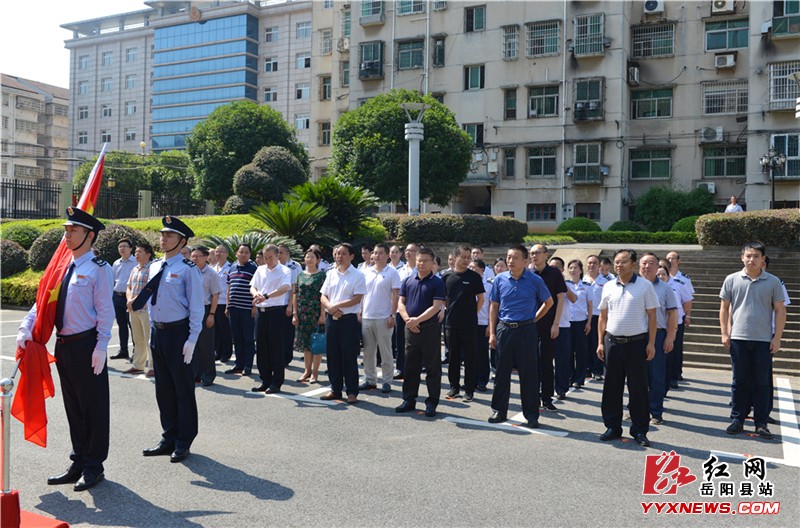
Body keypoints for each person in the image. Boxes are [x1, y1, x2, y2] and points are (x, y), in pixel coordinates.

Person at [17, 207, 113, 491]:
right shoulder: (61, 268)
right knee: (73, 407)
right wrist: (26, 326)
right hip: (64, 345)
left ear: (89, 235)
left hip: (86, 344)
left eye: (73, 231)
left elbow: (105, 311)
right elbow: (42, 303)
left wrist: (102, 346)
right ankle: (78, 461)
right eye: (66, 230)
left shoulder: (99, 269)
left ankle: (94, 466)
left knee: (93, 408)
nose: (67, 235)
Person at [136, 215, 203, 464]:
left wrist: (192, 339)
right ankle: (168, 436)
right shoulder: (154, 266)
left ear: (182, 240)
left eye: (169, 235)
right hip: (159, 332)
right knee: (163, 388)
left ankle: (184, 439)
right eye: (162, 234)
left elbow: (197, 307)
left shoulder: (188, 269)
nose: (163, 239)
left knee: (182, 389)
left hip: (179, 333)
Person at [719, 242, 785, 440]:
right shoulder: (731, 279)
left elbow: (780, 310)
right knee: (739, 381)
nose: (751, 259)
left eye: (756, 256)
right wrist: (725, 333)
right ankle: (738, 418)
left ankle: (761, 422)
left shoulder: (773, 282)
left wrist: (777, 338)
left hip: (763, 340)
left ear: (762, 259)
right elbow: (724, 308)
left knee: (761, 383)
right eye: (748, 255)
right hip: (738, 337)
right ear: (742, 257)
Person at [597, 249, 659, 447]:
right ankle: (612, 427)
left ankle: (640, 430)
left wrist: (651, 343)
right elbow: (603, 317)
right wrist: (600, 342)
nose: (619, 265)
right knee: (611, 387)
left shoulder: (645, 286)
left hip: (636, 344)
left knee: (638, 389)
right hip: (612, 343)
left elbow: (652, 317)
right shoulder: (608, 286)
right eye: (616, 262)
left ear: (633, 264)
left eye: (624, 262)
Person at [487, 244, 553, 428]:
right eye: (509, 257)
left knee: (529, 373)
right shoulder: (500, 279)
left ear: (525, 261)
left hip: (526, 330)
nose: (510, 261)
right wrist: (492, 332)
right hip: (505, 329)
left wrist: (534, 318)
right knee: (501, 372)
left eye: (515, 257)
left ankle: (531, 414)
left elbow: (549, 302)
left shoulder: (534, 280)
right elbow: (494, 306)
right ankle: (499, 410)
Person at [395, 246, 446, 417]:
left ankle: (432, 402)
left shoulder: (437, 282)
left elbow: (436, 307)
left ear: (432, 263)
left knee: (432, 368)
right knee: (410, 366)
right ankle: (409, 399)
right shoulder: (408, 280)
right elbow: (400, 303)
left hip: (429, 329)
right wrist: (409, 320)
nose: (422, 263)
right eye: (419, 260)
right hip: (410, 329)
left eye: (425, 261)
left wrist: (417, 320)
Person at [320, 243, 366, 404]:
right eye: (338, 253)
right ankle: (335, 389)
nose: (339, 256)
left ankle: (352, 391)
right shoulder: (331, 273)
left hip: (348, 321)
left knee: (348, 357)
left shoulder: (358, 275)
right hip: (331, 320)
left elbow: (357, 298)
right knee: (333, 356)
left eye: (343, 254)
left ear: (352, 256)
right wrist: (330, 308)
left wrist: (336, 306)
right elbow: (323, 296)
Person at [441, 245, 485, 402]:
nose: (466, 260)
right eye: (463, 257)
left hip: (469, 324)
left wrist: (473, 313)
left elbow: (481, 298)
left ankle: (469, 389)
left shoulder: (474, 277)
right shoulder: (446, 277)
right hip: (451, 323)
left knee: (470, 357)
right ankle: (454, 387)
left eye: (469, 257)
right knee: (453, 357)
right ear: (455, 257)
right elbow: (444, 300)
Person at [639, 253, 678, 425]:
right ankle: (637, 410)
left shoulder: (665, 288)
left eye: (651, 263)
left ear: (657, 267)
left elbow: (672, 313)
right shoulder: (632, 285)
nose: (647, 266)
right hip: (635, 335)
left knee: (656, 376)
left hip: (659, 334)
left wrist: (670, 337)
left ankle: (655, 412)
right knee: (636, 376)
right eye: (644, 263)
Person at [529, 244, 567, 412]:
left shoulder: (554, 273)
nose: (534, 256)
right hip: (529, 325)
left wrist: (556, 323)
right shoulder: (527, 273)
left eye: (537, 253)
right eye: (531, 253)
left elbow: (560, 299)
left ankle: (547, 397)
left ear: (546, 255)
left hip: (549, 325)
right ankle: (533, 397)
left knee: (546, 362)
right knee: (531, 363)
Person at [359, 243, 401, 393]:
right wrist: (360, 311)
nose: (376, 256)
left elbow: (396, 295)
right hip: (367, 316)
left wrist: (393, 315)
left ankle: (387, 381)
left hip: (384, 317)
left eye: (380, 253)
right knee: (368, 352)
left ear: (387, 255)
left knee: (385, 351)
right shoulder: (366, 272)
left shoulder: (392, 272)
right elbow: (362, 294)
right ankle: (370, 380)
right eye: (375, 253)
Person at [250, 244, 292, 393]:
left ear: (277, 256)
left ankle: (277, 382)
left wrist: (266, 296)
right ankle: (265, 379)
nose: (267, 260)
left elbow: (285, 288)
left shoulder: (285, 270)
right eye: (265, 257)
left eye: (270, 257)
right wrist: (256, 295)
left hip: (275, 312)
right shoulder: (260, 269)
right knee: (261, 347)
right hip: (261, 312)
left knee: (276, 348)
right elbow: (252, 286)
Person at [293, 248, 327, 383]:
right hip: (302, 314)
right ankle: (306, 371)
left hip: (316, 313)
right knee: (305, 344)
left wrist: (323, 314)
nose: (309, 259)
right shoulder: (300, 275)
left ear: (318, 260)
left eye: (312, 257)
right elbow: (295, 294)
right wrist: (295, 313)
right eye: (307, 257)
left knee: (316, 344)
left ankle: (315, 373)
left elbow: (324, 295)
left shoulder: (321, 276)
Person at [225, 244, 257, 376]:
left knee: (248, 338)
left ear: (250, 255)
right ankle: (239, 364)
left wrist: (255, 306)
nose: (244, 254)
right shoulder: (232, 268)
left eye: (246, 252)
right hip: (233, 308)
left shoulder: (253, 268)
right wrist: (227, 305)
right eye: (241, 252)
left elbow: (257, 288)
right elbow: (229, 287)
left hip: (247, 309)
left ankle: (248, 365)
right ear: (236, 253)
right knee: (237, 338)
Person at [191, 246, 221, 387]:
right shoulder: (190, 271)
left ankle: (208, 375)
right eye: (193, 256)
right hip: (190, 311)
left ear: (205, 257)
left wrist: (212, 314)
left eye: (197, 256)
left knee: (205, 345)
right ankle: (195, 374)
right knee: (193, 344)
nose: (194, 258)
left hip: (205, 309)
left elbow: (215, 294)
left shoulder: (211, 274)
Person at [125, 241, 154, 376]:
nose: (136, 254)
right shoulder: (134, 269)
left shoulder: (152, 269)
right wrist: (129, 300)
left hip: (146, 309)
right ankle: (138, 365)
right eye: (135, 252)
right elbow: (129, 287)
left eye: (139, 252)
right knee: (138, 339)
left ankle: (153, 367)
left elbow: (149, 289)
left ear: (148, 254)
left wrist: (133, 301)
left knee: (149, 339)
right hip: (133, 309)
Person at [666, 251, 694, 387]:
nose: (671, 260)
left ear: (678, 261)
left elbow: (688, 300)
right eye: (668, 258)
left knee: (676, 346)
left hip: (678, 317)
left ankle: (676, 372)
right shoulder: (659, 277)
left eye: (673, 258)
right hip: (662, 319)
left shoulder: (683, 279)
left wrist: (687, 315)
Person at [393, 243, 419, 379]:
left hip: (416, 311)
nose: (409, 253)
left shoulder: (421, 270)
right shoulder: (399, 270)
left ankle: (415, 368)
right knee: (400, 341)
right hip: (400, 310)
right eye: (407, 250)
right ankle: (400, 368)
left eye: (413, 251)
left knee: (416, 342)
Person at [549, 257, 574, 401]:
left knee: (562, 360)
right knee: (544, 359)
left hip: (563, 326)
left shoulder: (566, 283)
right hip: (546, 325)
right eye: (552, 266)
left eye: (557, 267)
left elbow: (573, 299)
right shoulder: (544, 280)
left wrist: (562, 284)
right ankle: (545, 387)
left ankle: (562, 388)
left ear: (562, 270)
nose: (554, 269)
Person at [565, 259, 592, 391]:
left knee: (581, 351)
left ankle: (579, 378)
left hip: (581, 321)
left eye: (576, 268)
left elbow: (590, 305)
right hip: (568, 322)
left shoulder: (586, 286)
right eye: (570, 268)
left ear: (581, 270)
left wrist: (589, 322)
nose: (573, 270)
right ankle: (570, 376)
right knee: (568, 350)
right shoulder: (565, 285)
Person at [110, 238, 136, 360]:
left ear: (131, 248)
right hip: (117, 296)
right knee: (121, 325)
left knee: (133, 325)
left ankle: (137, 351)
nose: (122, 248)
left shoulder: (136, 262)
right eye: (120, 246)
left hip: (131, 298)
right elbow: (113, 279)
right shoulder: (116, 263)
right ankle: (123, 350)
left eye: (125, 246)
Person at [469, 259, 492, 392]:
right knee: (470, 353)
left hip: (483, 322)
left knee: (482, 353)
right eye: (470, 267)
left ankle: (482, 380)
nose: (471, 270)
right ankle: (471, 380)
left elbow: (492, 306)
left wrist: (490, 325)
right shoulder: (468, 282)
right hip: (469, 322)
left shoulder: (489, 285)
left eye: (474, 268)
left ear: (482, 270)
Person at [584, 255, 608, 381]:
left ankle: (598, 369)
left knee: (598, 342)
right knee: (586, 344)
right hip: (585, 317)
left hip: (600, 316)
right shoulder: (582, 280)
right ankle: (587, 368)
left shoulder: (605, 282)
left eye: (595, 263)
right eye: (590, 263)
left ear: (599, 266)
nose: (592, 265)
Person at [278, 243, 302, 366]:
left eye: (281, 252)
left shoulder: (294, 266)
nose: (279, 255)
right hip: (276, 303)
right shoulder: (275, 266)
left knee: (287, 332)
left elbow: (294, 288)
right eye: (277, 252)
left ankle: (286, 357)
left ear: (287, 254)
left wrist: (290, 306)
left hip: (287, 303)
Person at [212, 245, 233, 363]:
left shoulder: (230, 268)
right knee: (216, 330)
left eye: (221, 252)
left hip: (223, 302)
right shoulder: (213, 268)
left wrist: (227, 304)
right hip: (214, 302)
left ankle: (227, 353)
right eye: (217, 251)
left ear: (227, 254)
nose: (218, 254)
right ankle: (218, 351)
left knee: (225, 330)